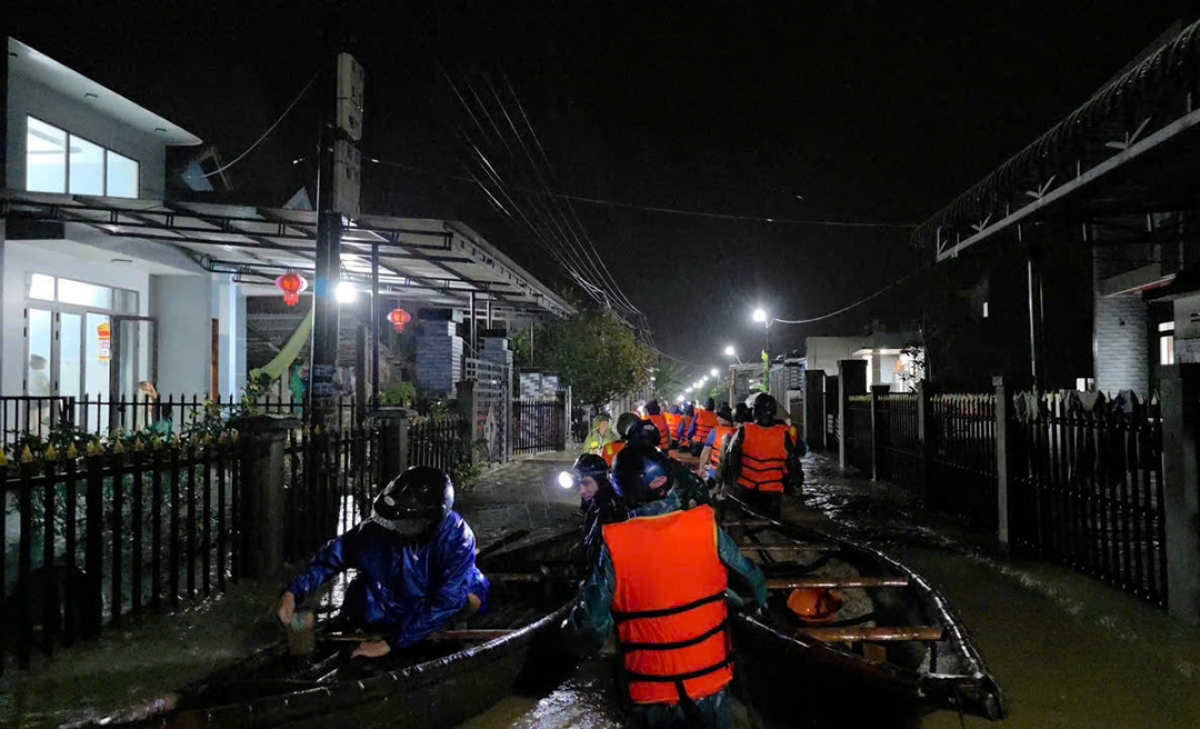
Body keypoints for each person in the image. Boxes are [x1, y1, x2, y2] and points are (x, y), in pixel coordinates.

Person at [567, 444, 767, 729]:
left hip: (651, 694)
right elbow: (754, 586)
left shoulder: (614, 543)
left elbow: (590, 627)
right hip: (711, 681)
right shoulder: (705, 525)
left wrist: (570, 635)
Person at [277, 466, 489, 658]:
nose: (398, 528)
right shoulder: (379, 530)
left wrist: (392, 643)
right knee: (362, 602)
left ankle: (444, 630)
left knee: (470, 597)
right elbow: (331, 558)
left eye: (408, 523)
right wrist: (293, 592)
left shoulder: (457, 538)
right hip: (393, 596)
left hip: (434, 599)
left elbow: (449, 599)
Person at [723, 393, 805, 519]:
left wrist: (727, 483)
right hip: (773, 493)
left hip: (747, 491)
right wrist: (796, 485)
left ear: (755, 411)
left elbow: (730, 460)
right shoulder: (785, 434)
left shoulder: (743, 431)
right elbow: (794, 463)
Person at [570, 453, 627, 568]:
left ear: (600, 480)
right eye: (578, 484)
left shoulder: (611, 509)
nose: (581, 491)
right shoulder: (597, 503)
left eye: (586, 483)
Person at [698, 405, 737, 482]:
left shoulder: (715, 431)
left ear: (725, 419)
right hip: (732, 476)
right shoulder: (738, 432)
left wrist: (701, 468)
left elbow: (706, 451)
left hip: (715, 473)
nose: (717, 418)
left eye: (719, 417)